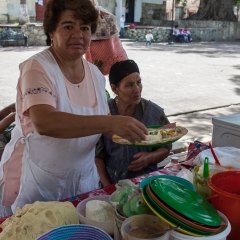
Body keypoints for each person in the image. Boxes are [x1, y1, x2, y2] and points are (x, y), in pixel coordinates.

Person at [0, 0, 148, 217]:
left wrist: (134, 133)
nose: (79, 34)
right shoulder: (37, 68)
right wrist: (110, 123)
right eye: (69, 26)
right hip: (41, 181)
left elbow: (105, 124)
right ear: (51, 31)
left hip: (83, 180)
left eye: (85, 28)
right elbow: (45, 122)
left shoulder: (95, 75)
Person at [95, 60, 172, 187]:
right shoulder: (104, 113)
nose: (137, 89)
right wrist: (107, 186)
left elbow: (166, 147)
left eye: (139, 82)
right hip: (113, 182)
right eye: (129, 85)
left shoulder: (154, 112)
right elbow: (98, 156)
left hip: (146, 184)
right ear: (115, 88)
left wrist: (150, 157)